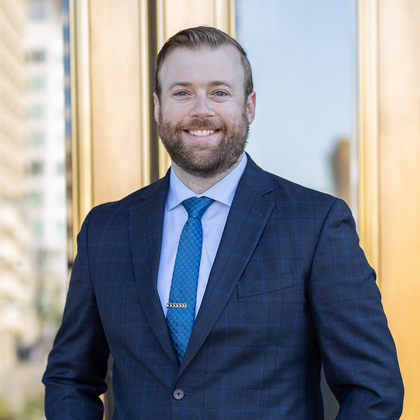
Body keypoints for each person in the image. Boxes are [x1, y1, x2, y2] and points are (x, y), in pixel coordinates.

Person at [43, 26, 404, 419]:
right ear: (158, 106)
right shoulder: (104, 231)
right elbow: (70, 377)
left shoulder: (316, 225)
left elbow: (373, 388)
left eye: (219, 92)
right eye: (182, 92)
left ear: (249, 106)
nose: (201, 110)